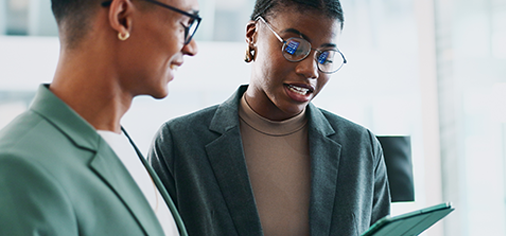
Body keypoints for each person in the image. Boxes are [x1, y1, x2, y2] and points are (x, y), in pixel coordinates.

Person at [148, 0, 390, 235]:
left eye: (325, 57)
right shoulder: (179, 143)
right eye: (294, 47)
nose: (311, 70)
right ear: (252, 35)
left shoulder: (360, 148)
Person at [0, 0, 200, 235]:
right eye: (184, 23)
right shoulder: (19, 168)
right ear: (122, 17)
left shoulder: (123, 145)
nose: (191, 47)